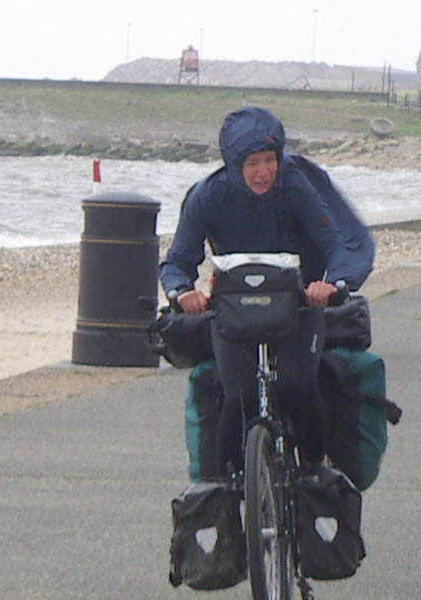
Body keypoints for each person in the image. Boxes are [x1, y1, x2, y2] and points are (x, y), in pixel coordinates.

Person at [160, 106, 374, 476]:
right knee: (237, 396)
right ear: (234, 164)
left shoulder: (294, 184)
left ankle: (315, 466)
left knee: (297, 387)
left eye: (270, 160)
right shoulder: (208, 196)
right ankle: (225, 486)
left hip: (297, 308)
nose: (263, 172)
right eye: (253, 163)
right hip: (234, 312)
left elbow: (336, 242)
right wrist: (182, 292)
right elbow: (177, 261)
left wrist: (332, 283)